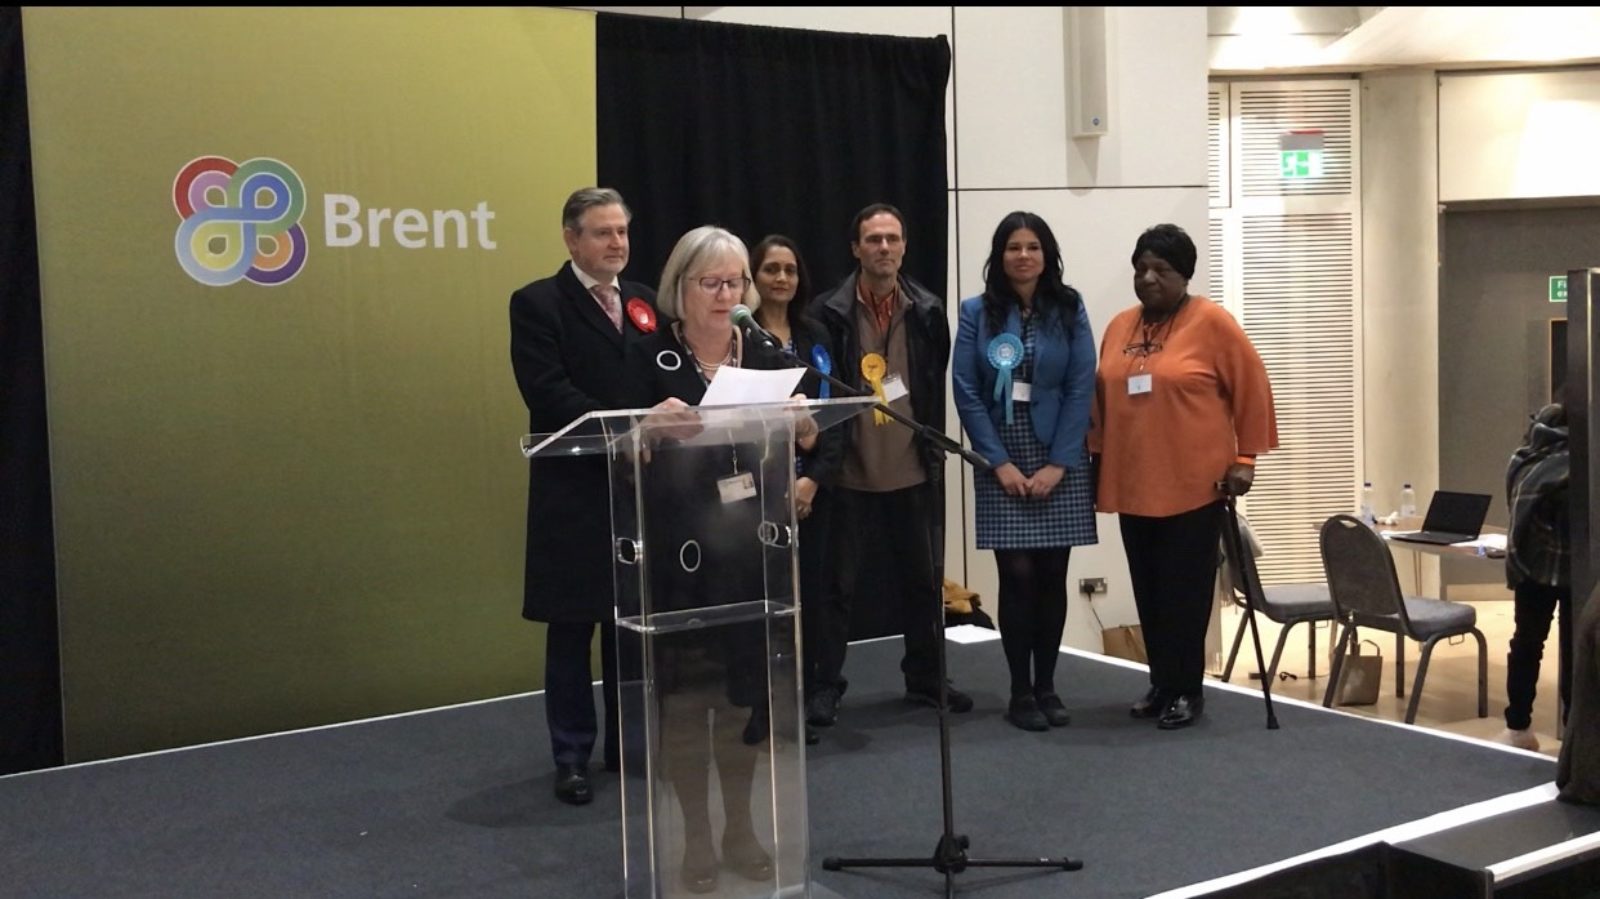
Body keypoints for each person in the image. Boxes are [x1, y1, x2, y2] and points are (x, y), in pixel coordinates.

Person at [622, 225, 818, 895]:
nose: (727, 294)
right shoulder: (647, 356)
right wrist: (641, 430)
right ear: (680, 287)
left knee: (741, 704)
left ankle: (741, 829)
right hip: (678, 558)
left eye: (736, 282)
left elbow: (814, 429)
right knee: (685, 707)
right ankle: (696, 840)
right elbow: (613, 447)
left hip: (749, 556)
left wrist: (802, 419)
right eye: (712, 283)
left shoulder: (763, 350)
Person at [1088, 223, 1277, 730]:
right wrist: (1096, 454)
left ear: (1184, 275)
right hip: (1132, 482)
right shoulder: (1120, 325)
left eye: (1161, 270)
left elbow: (1253, 389)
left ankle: (1187, 690)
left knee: (1185, 593)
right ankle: (1160, 681)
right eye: (1141, 268)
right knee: (1148, 589)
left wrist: (1247, 458)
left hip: (1195, 484)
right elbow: (1101, 396)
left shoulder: (1212, 322)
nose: (1148, 278)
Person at [508, 187, 657, 806]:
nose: (617, 243)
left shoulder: (646, 301)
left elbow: (662, 373)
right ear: (571, 239)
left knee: (629, 628)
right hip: (572, 493)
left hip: (638, 489)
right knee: (572, 631)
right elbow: (546, 391)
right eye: (602, 233)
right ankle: (571, 756)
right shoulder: (538, 303)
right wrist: (628, 429)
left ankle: (628, 747)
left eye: (621, 231)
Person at [806, 202, 969, 727]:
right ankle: (824, 686)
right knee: (836, 590)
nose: (883, 248)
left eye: (892, 239)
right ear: (856, 248)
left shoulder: (927, 310)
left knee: (923, 585)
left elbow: (929, 382)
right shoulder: (826, 311)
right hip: (848, 473)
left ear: (903, 247)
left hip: (912, 469)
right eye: (873, 239)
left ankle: (926, 680)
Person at [952, 212, 1097, 732]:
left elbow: (1082, 384)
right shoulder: (976, 312)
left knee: (1053, 576)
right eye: (1013, 247)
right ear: (1000, 255)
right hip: (1002, 456)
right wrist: (1000, 463)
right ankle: (1019, 690)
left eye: (1033, 247)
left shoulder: (1069, 307)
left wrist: (1060, 462)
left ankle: (1048, 686)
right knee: (1016, 578)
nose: (1023, 256)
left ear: (1047, 255)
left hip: (1061, 455)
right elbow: (966, 390)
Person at [750, 235, 840, 745]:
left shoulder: (816, 334)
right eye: (771, 270)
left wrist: (812, 479)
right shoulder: (742, 338)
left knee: (811, 600)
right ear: (754, 278)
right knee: (766, 605)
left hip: (813, 492)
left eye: (790, 269)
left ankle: (805, 703)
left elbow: (834, 416)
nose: (782, 279)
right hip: (758, 492)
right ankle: (762, 709)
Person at [1496, 402, 1572, 752]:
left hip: (1530, 564)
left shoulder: (1524, 458)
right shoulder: (1580, 461)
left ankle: (1518, 727)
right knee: (1576, 651)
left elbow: (1520, 509)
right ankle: (1576, 732)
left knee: (1526, 644)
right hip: (1577, 567)